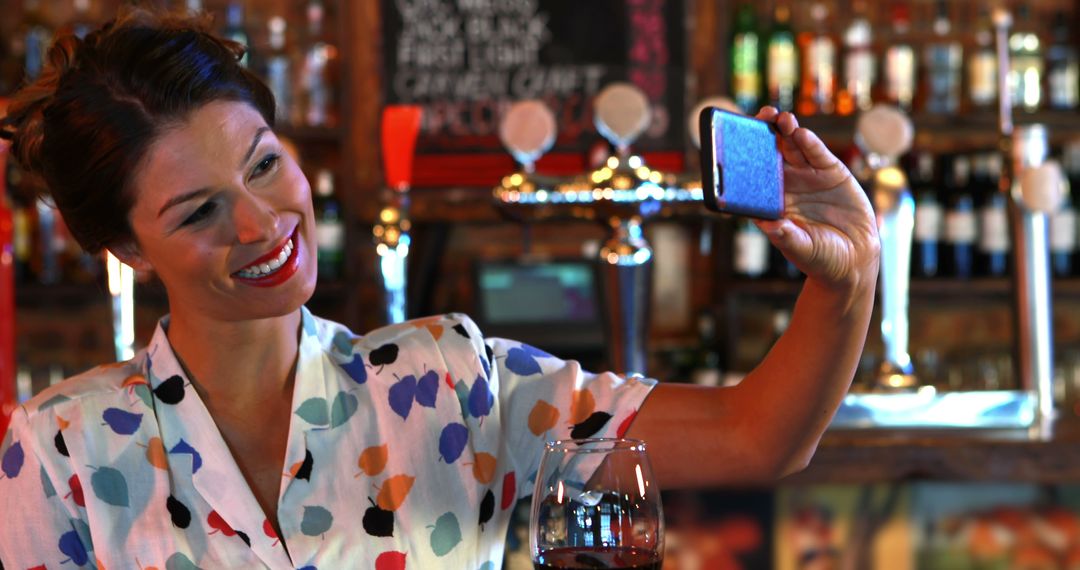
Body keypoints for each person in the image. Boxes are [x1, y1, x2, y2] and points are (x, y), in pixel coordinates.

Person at [0, 8, 879, 569]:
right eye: (199, 212)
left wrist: (847, 280)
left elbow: (757, 437)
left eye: (264, 165)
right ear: (129, 246)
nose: (262, 222)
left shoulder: (448, 381)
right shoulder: (63, 448)